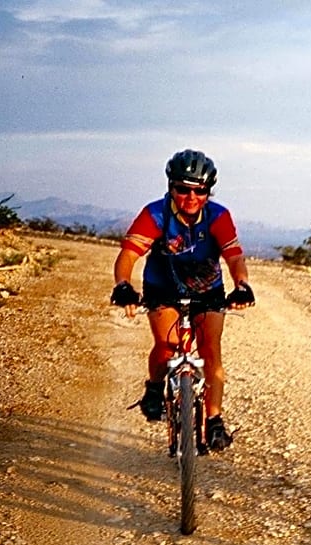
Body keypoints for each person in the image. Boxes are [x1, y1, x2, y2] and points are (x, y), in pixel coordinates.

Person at [110, 149, 255, 451]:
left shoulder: (218, 216)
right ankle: (154, 387)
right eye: (183, 189)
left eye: (200, 191)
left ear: (208, 191)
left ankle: (214, 421)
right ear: (171, 187)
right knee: (167, 346)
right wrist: (123, 285)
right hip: (163, 288)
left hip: (207, 290)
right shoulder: (155, 214)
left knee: (210, 350)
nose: (191, 197)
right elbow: (128, 255)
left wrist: (242, 284)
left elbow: (234, 256)